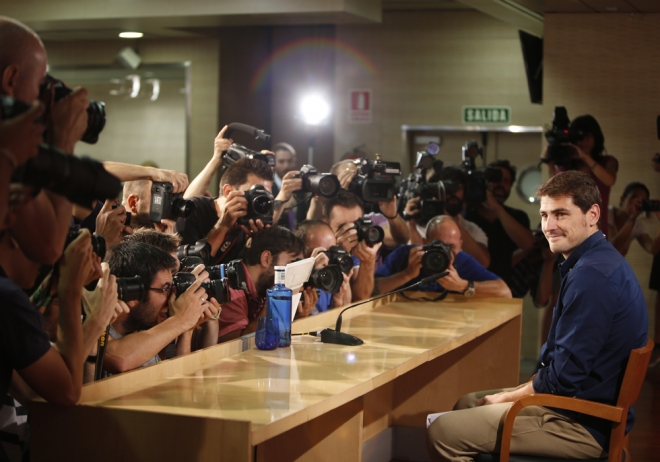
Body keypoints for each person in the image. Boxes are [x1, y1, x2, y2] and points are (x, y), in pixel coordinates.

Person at [427, 171, 648, 461]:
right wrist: (511, 394)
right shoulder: (596, 260)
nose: (549, 226)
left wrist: (505, 398)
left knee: (442, 431)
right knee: (466, 402)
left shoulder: (591, 275)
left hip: (582, 423)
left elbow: (563, 379)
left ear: (592, 214)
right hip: (576, 406)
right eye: (544, 215)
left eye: (560, 214)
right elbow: (561, 368)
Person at [104, 241, 217, 374]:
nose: (171, 297)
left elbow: (184, 388)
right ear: (134, 293)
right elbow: (120, 359)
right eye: (165, 289)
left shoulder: (138, 334)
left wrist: (187, 328)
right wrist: (181, 319)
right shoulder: (89, 324)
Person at [375, 215, 511, 298]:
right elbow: (372, 289)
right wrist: (406, 274)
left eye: (450, 247)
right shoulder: (405, 255)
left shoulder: (462, 261)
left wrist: (463, 286)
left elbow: (505, 292)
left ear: (460, 246)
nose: (443, 252)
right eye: (437, 245)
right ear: (424, 242)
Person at [174, 158, 274, 264]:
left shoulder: (249, 221)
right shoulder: (191, 209)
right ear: (228, 191)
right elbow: (187, 266)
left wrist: (255, 243)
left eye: (265, 196)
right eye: (254, 195)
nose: (259, 202)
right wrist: (223, 226)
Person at [217, 226, 304, 343]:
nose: (293, 272)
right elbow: (236, 348)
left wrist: (299, 315)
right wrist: (272, 306)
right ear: (266, 258)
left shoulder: (261, 286)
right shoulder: (231, 288)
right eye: (291, 264)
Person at [543, 114, 618, 237]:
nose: (583, 141)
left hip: (596, 235)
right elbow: (555, 194)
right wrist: (550, 164)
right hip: (568, 234)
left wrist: (585, 157)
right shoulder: (566, 166)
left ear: (596, 137)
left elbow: (609, 180)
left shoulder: (607, 162)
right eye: (579, 137)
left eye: (587, 135)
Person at [465, 159, 533, 289]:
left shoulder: (517, 216)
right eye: (496, 179)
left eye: (506, 181)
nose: (501, 184)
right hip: (467, 285)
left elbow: (528, 244)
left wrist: (497, 208)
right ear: (486, 182)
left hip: (500, 287)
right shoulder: (467, 215)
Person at [406, 166, 490, 267]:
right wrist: (411, 225)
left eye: (458, 186)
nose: (453, 192)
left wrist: (447, 218)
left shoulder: (472, 229)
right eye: (448, 186)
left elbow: (483, 262)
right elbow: (419, 264)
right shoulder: (419, 226)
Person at [322, 191, 381, 301]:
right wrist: (339, 254)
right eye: (342, 227)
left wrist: (368, 261)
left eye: (355, 226)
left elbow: (360, 298)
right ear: (326, 223)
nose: (350, 233)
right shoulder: (318, 248)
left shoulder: (357, 247)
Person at [294, 220, 353, 316]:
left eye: (332, 252)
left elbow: (342, 322)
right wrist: (310, 271)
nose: (327, 259)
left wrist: (338, 301)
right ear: (301, 253)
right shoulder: (292, 284)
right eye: (321, 253)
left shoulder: (331, 278)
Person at [608, 181, 660, 257]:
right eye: (634, 198)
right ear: (622, 199)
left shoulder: (636, 224)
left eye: (642, 202)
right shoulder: (607, 214)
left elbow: (652, 248)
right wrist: (632, 217)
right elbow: (612, 247)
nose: (637, 203)